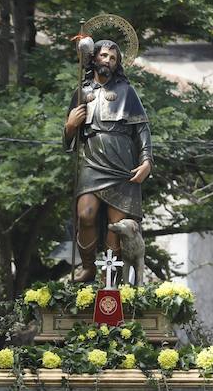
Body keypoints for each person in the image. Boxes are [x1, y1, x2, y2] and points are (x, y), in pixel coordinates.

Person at [63, 38, 152, 281]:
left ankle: (108, 276)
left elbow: (142, 130)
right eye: (103, 56)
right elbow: (68, 138)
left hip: (122, 164)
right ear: (93, 58)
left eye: (113, 58)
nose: (108, 61)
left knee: (117, 225)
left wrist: (146, 161)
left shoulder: (127, 92)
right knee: (86, 214)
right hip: (91, 160)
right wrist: (70, 126)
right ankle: (89, 266)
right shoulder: (81, 92)